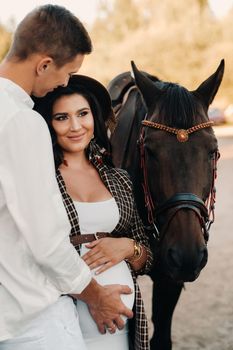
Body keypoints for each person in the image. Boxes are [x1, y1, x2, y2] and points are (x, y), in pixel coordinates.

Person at [0, 5, 133, 350]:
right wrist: (96, 296)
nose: (64, 82)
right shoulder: (20, 121)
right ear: (43, 64)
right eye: (67, 72)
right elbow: (45, 239)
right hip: (33, 322)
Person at [33, 74, 154, 350]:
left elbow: (148, 258)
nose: (75, 126)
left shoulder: (118, 179)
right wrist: (95, 297)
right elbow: (32, 255)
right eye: (61, 117)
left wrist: (128, 247)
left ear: (94, 117)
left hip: (120, 330)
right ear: (48, 124)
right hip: (59, 324)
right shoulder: (40, 179)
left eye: (82, 113)